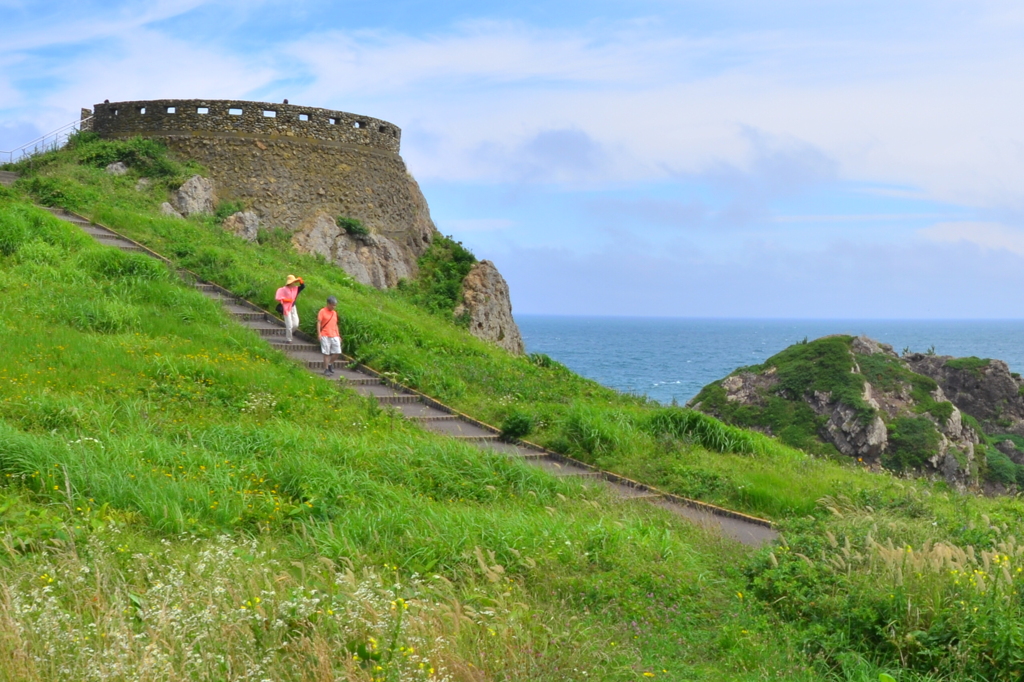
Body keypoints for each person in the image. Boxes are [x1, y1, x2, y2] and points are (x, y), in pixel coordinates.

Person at [274, 275, 305, 343]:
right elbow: (278, 297)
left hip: (293, 307)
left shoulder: (295, 289)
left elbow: (302, 287)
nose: (293, 283)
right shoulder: (283, 289)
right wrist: (286, 300)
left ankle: (288, 333)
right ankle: (289, 339)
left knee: (296, 324)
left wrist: (301, 281)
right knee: (289, 324)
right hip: (286, 308)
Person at [316, 296, 342, 375]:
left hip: (334, 335)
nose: (334, 307)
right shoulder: (322, 311)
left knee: (338, 352)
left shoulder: (334, 313)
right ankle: (326, 369)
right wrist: (319, 333)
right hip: (325, 334)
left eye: (335, 305)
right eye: (332, 305)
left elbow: (335, 324)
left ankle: (330, 363)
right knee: (326, 353)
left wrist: (338, 335)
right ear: (328, 304)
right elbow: (319, 322)